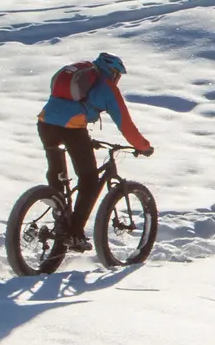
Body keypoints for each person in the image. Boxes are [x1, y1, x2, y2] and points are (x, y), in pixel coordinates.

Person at [39, 51, 152, 252]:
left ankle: (59, 215)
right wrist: (143, 146)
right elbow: (126, 125)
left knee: (56, 172)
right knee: (89, 180)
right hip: (72, 129)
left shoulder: (78, 73)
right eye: (118, 75)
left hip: (45, 124)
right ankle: (74, 233)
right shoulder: (107, 88)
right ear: (113, 72)